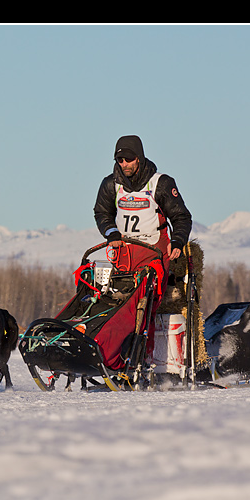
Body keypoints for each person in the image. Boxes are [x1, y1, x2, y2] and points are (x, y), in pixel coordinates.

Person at [93, 135, 193, 357]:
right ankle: (105, 349)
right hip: (124, 254)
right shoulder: (110, 184)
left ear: (139, 158)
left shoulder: (161, 183)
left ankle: (138, 357)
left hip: (154, 252)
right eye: (120, 160)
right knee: (110, 300)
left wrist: (178, 241)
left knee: (142, 302)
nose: (124, 164)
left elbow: (181, 217)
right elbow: (101, 212)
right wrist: (111, 233)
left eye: (128, 159)